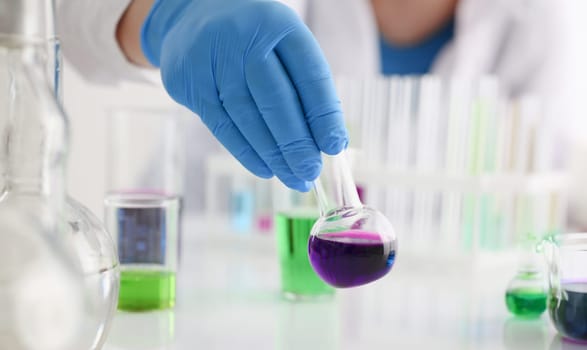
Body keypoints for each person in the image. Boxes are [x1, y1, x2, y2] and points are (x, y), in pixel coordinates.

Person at [57, 0, 585, 196]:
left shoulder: (543, 21)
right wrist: (168, 18)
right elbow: (62, 15)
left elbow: (553, 212)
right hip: (200, 291)